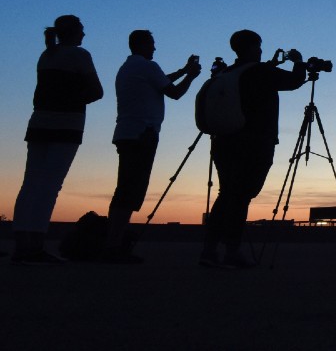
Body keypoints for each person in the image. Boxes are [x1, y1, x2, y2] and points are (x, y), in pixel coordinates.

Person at [200, 29, 305, 268]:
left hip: (223, 141)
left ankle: (209, 250)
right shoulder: (260, 71)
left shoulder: (228, 72)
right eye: (258, 46)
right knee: (240, 196)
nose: (260, 50)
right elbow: (295, 81)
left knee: (226, 194)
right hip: (254, 142)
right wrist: (298, 62)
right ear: (251, 47)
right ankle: (232, 252)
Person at [11, 15, 104, 265]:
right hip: (66, 125)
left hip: (39, 123)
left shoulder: (47, 55)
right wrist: (73, 101)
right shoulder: (79, 55)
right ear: (74, 32)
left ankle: (22, 243)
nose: (84, 35)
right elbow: (97, 91)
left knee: (30, 183)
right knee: (50, 186)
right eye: (82, 30)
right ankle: (35, 245)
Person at [104, 30, 202, 263]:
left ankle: (113, 243)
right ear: (142, 44)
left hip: (128, 132)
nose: (155, 48)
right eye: (152, 44)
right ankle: (113, 246)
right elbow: (174, 92)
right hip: (141, 134)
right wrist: (191, 77)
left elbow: (160, 83)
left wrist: (183, 70)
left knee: (125, 188)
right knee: (130, 190)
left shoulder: (130, 67)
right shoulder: (147, 66)